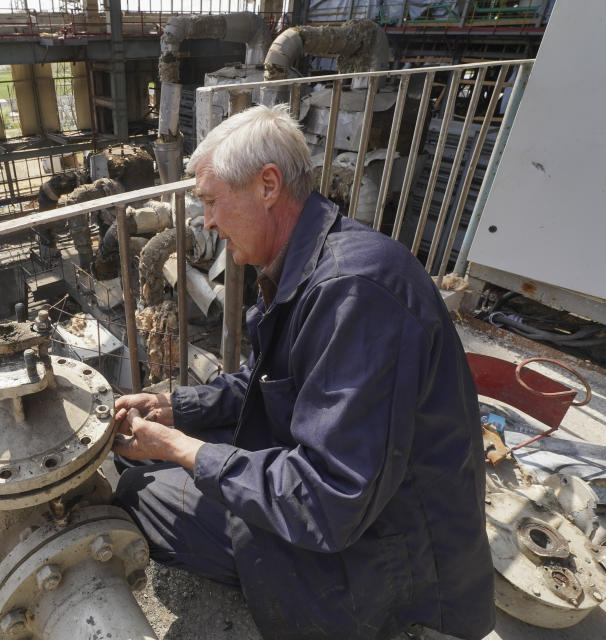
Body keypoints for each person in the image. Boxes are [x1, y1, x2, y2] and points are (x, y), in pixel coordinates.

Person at [112, 105, 495, 640]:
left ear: (267, 185)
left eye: (211, 201)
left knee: (141, 489)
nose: (208, 222)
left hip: (388, 564)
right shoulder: (314, 261)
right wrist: (177, 408)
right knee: (183, 458)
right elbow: (265, 381)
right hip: (369, 510)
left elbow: (330, 499)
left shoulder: (353, 294)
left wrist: (179, 448)